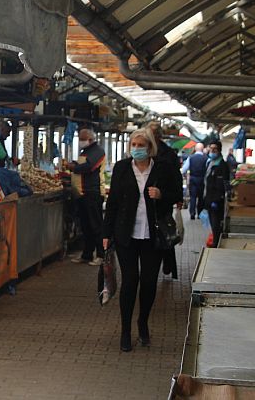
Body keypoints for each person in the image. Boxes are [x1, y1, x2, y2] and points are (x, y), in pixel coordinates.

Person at [102, 128, 182, 352]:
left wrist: (161, 195)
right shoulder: (121, 168)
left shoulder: (163, 169)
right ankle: (126, 331)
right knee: (130, 280)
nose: (136, 149)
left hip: (152, 235)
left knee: (148, 282)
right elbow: (113, 202)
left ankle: (143, 322)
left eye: (140, 145)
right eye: (133, 145)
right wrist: (106, 235)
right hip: (126, 233)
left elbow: (177, 193)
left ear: (150, 148)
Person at [146, 121, 182, 279]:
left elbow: (176, 178)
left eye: (151, 135)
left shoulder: (168, 154)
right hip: (147, 201)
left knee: (163, 230)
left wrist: (177, 197)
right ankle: (161, 259)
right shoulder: (143, 150)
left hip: (163, 201)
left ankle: (166, 260)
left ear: (158, 136)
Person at [69, 128, 106, 265]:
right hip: (82, 194)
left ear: (90, 139)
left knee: (96, 226)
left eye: (82, 139)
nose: (80, 141)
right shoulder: (85, 152)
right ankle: (87, 254)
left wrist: (73, 167)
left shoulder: (98, 151)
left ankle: (102, 255)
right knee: (85, 226)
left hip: (92, 193)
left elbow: (89, 167)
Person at [204, 141, 230, 247]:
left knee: (216, 223)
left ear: (219, 150)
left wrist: (216, 199)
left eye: (215, 149)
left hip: (216, 200)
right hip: (209, 199)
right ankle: (215, 240)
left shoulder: (222, 165)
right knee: (212, 222)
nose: (212, 151)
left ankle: (216, 243)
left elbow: (222, 185)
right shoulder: (210, 163)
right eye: (211, 149)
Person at [181, 142, 207, 220]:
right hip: (202, 179)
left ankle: (192, 213)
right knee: (201, 198)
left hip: (193, 179)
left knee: (193, 197)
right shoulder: (206, 158)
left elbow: (184, 169)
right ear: (202, 149)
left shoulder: (191, 158)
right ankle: (199, 214)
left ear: (195, 149)